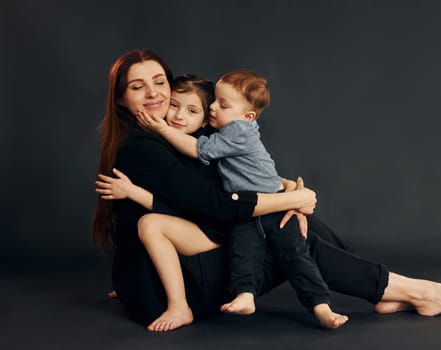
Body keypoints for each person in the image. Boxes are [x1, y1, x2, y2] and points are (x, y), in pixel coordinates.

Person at [93, 49, 441, 332]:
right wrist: (292, 198)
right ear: (123, 101)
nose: (155, 94)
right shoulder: (144, 146)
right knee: (291, 237)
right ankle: (419, 292)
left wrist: (281, 190)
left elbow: (220, 185)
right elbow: (214, 205)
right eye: (138, 87)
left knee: (292, 223)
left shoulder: (173, 138)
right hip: (172, 291)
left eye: (159, 81)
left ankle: (380, 287)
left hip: (170, 272)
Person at [106, 71, 348, 329]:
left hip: (233, 216)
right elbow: (181, 206)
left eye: (192, 111)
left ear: (204, 121)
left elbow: (218, 198)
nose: (178, 116)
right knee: (278, 247)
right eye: (174, 106)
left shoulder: (217, 142)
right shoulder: (166, 145)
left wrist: (294, 195)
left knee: (301, 248)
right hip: (229, 217)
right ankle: (383, 287)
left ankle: (332, 303)